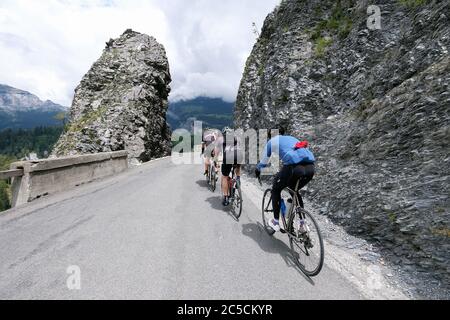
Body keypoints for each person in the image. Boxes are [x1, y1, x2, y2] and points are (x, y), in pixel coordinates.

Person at [255, 127, 315, 232]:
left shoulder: (271, 142)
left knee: (276, 189)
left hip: (294, 168)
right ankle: (302, 223)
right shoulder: (292, 138)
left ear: (270, 135)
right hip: (310, 168)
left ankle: (276, 221)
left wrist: (258, 169)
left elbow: (264, 161)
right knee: (294, 191)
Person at [218, 127, 243, 206]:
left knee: (225, 176)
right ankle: (238, 179)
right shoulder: (236, 138)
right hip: (238, 155)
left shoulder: (222, 139)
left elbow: (217, 151)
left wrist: (216, 160)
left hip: (228, 157)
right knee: (238, 166)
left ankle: (225, 198)